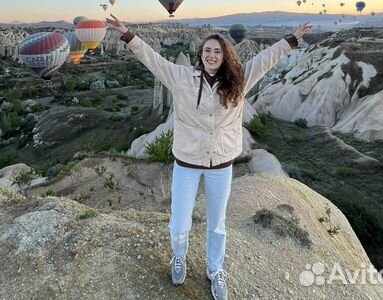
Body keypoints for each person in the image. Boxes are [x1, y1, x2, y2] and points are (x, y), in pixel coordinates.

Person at [106, 15, 311, 300]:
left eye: (217, 51)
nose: (212, 55)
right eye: (207, 51)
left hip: (220, 166)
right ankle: (179, 255)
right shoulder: (181, 78)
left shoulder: (239, 79)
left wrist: (290, 40)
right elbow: (152, 59)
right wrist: (128, 35)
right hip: (187, 164)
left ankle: (215, 269)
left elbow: (265, 60)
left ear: (224, 55)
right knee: (179, 223)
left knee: (217, 224)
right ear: (200, 55)